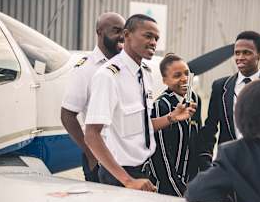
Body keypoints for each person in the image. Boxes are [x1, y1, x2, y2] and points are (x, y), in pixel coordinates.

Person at [84, 14, 196, 191]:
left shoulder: (145, 73)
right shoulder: (108, 76)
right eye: (148, 35)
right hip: (119, 175)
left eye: (156, 38)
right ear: (127, 34)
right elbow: (91, 134)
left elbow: (141, 126)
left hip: (144, 171)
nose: (153, 42)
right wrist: (128, 181)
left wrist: (171, 117)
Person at [198, 31, 260, 170]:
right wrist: (206, 160)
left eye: (247, 53)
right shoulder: (220, 86)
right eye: (237, 53)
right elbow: (210, 127)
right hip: (227, 164)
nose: (240, 57)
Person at [61, 12, 125, 182]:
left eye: (124, 32)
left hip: (126, 155)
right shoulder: (85, 69)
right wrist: (91, 154)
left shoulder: (125, 65)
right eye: (116, 31)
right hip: (100, 156)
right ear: (99, 32)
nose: (122, 36)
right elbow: (67, 115)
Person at [149, 53, 202, 197]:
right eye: (177, 75)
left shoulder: (194, 99)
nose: (184, 79)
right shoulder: (161, 106)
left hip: (190, 181)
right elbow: (160, 155)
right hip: (167, 186)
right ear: (165, 81)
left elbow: (197, 140)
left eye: (186, 73)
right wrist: (178, 190)